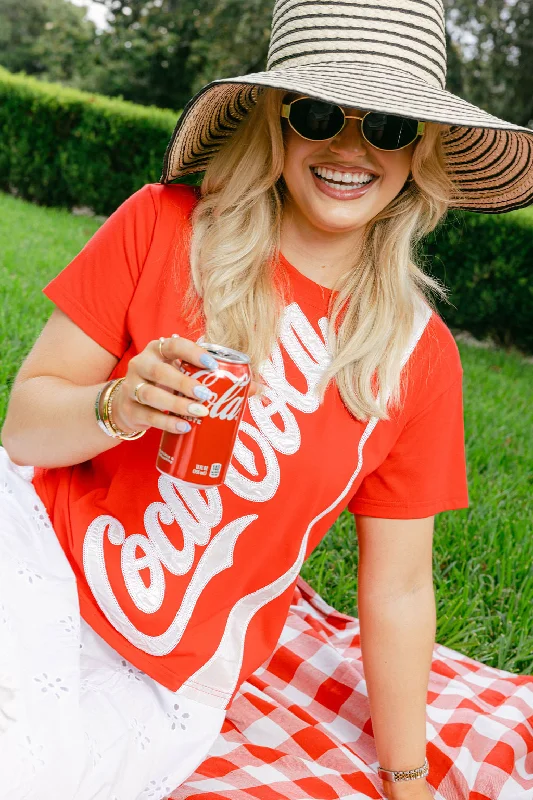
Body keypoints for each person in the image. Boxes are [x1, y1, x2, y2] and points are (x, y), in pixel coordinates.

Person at [1, 1, 532, 799]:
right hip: (36, 559)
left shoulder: (419, 357)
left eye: (387, 124)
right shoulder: (160, 225)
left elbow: (396, 588)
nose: (350, 149)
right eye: (319, 114)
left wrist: (408, 776)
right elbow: (23, 429)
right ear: (275, 122)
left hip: (170, 674)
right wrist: (116, 406)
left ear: (419, 150)